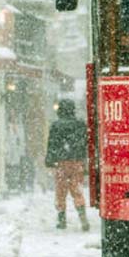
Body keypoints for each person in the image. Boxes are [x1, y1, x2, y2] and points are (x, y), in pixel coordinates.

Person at [46, 99, 90, 231]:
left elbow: (52, 144)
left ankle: (62, 219)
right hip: (76, 162)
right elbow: (85, 143)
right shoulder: (80, 124)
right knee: (77, 190)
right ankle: (83, 218)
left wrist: (49, 160)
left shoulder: (56, 125)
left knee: (60, 191)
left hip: (61, 163)